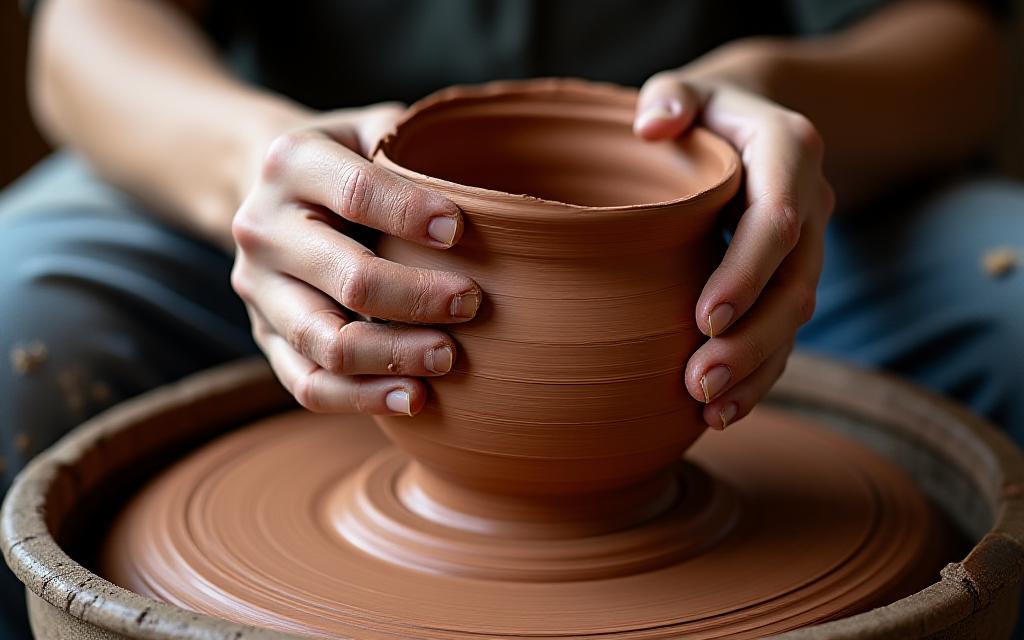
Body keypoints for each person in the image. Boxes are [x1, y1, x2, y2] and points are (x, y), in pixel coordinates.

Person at [1, 0, 1019, 636]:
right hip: (272, 186)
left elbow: (956, 43)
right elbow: (83, 31)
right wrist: (253, 162)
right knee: (17, 325)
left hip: (736, 231)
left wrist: (772, 94)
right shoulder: (267, 174)